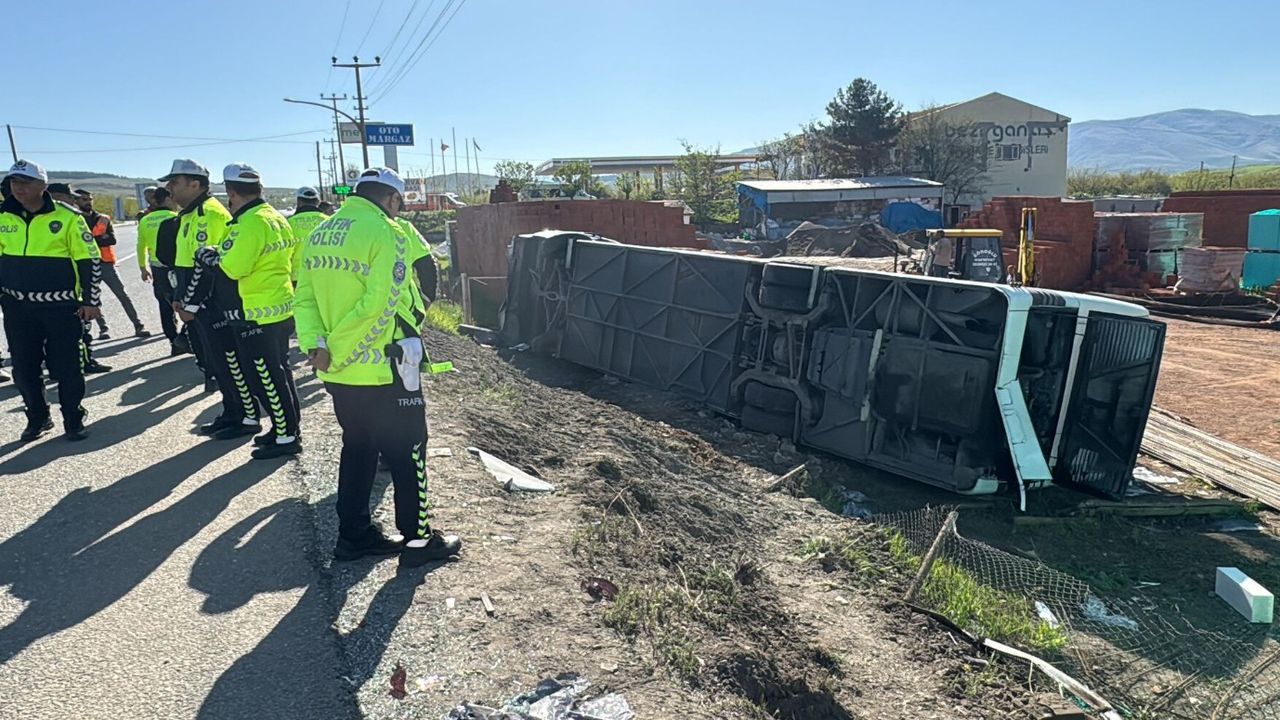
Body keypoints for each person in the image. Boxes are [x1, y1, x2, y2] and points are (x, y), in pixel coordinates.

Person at [294, 167, 461, 565]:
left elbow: (303, 298)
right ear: (391, 199)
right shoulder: (388, 232)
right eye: (398, 204)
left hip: (338, 371)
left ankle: (354, 537)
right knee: (409, 450)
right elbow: (380, 305)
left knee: (358, 446)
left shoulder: (320, 233)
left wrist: (318, 346)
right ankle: (418, 541)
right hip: (388, 367)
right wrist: (343, 349)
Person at [184, 164, 301, 459]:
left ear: (232, 192)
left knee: (266, 377)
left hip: (255, 312)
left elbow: (234, 267)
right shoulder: (275, 218)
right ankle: (285, 428)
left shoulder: (249, 223)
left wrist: (210, 257)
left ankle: (287, 437)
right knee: (281, 373)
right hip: (278, 306)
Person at [0, 160, 101, 441]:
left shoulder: (68, 217)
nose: (19, 188)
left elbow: (89, 259)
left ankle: (73, 418)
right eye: (14, 183)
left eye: (26, 182)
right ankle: (38, 417)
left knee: (67, 366)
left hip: (60, 305)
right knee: (23, 366)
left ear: (43, 186)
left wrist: (91, 300)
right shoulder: (3, 215)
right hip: (17, 305)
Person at [161, 158, 256, 434]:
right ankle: (231, 410)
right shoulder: (188, 216)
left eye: (174, 182)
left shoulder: (212, 215)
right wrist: (179, 296)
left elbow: (216, 268)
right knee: (216, 363)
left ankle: (243, 416)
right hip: (194, 304)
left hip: (213, 305)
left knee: (230, 363)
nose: (169, 188)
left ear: (195, 184)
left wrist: (192, 302)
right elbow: (185, 263)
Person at [47, 183, 111, 374]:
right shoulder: (64, 219)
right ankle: (70, 366)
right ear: (56, 197)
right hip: (64, 290)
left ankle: (83, 361)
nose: (73, 201)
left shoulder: (74, 218)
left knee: (81, 331)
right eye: (70, 197)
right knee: (72, 335)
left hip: (72, 286)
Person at [74, 189, 149, 339]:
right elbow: (79, 242)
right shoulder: (74, 219)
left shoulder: (103, 218)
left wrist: (92, 239)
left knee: (122, 294)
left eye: (89, 199)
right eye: (84, 199)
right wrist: (100, 237)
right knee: (92, 298)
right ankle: (103, 329)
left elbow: (111, 240)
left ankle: (138, 325)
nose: (88, 202)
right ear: (76, 201)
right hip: (85, 265)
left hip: (106, 264)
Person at [137, 187, 187, 354]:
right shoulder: (176, 218)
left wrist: (143, 268)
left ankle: (174, 341)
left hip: (157, 268)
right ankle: (189, 339)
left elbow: (140, 246)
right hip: (177, 267)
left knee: (165, 307)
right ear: (166, 200)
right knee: (187, 303)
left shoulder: (145, 220)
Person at [287, 187, 326, 282]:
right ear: (317, 202)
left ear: (298, 202)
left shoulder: (288, 223)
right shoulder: (329, 221)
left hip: (297, 278)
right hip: (325, 276)